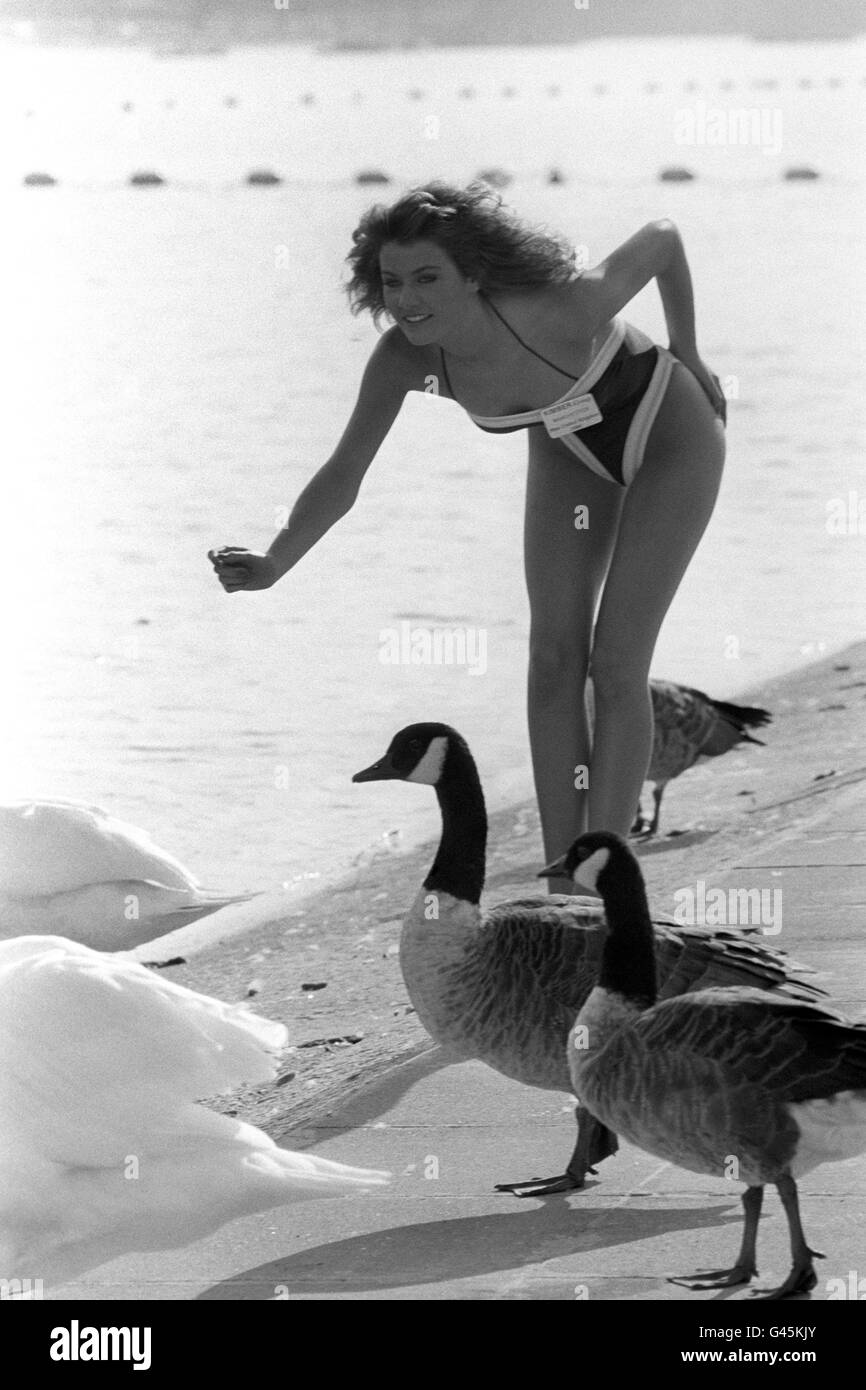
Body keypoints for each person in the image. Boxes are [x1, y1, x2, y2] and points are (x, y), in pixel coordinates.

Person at [210, 182, 726, 890]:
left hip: (671, 435)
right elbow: (344, 473)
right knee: (551, 659)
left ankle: (602, 874)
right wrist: (274, 562)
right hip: (566, 449)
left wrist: (689, 349)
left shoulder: (559, 308)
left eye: (428, 277)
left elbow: (663, 237)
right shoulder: (403, 360)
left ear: (475, 274)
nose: (407, 298)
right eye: (392, 282)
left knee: (614, 662)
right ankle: (558, 877)